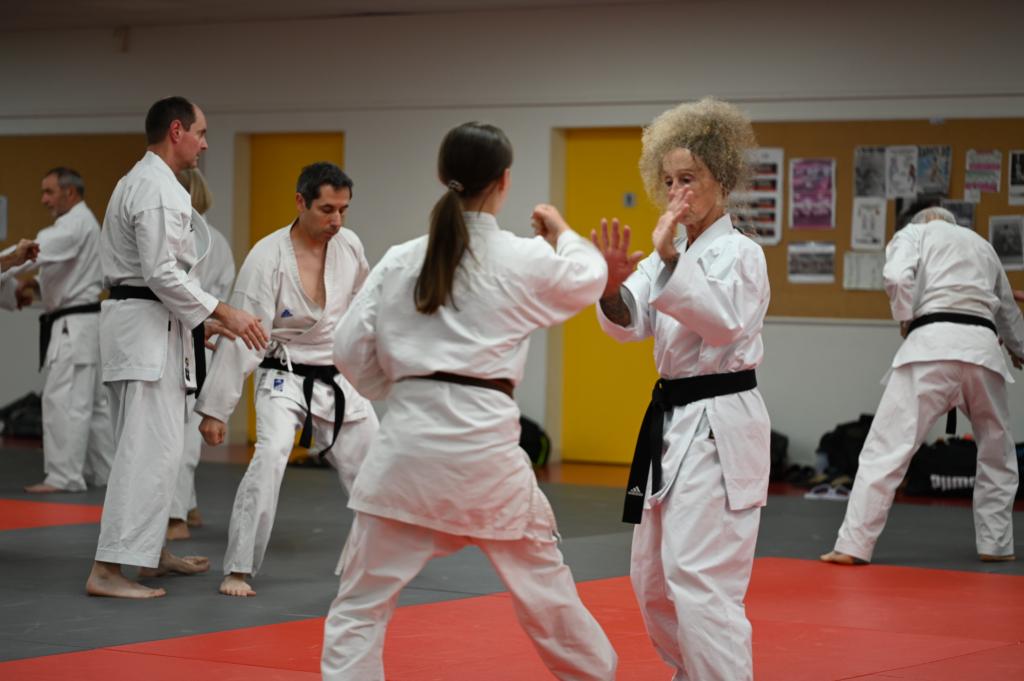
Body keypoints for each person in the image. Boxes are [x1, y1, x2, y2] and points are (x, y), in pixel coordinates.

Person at [321, 122, 617, 681]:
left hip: (406, 456)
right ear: (504, 181)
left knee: (359, 607)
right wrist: (561, 232)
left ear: (443, 176)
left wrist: (395, 388)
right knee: (548, 597)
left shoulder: (401, 259)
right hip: (488, 460)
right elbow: (590, 276)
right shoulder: (521, 256)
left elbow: (347, 348)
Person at [592, 98, 770, 681]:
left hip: (721, 422)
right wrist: (611, 286)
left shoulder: (742, 254)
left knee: (700, 579)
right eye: (668, 181)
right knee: (652, 579)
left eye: (688, 179)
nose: (676, 193)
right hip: (671, 425)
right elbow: (630, 321)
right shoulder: (668, 253)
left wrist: (670, 263)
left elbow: (723, 323)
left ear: (723, 177)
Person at [86, 96, 268, 600]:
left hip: (150, 327)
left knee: (162, 452)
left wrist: (200, 325)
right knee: (144, 453)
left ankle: (148, 553)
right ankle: (106, 569)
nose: (205, 144)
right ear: (176, 131)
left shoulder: (149, 181)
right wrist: (223, 312)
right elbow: (161, 273)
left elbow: (157, 277)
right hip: (144, 333)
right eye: (201, 133)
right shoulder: (155, 187)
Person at [196, 162, 379, 598]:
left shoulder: (350, 245)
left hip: (337, 375)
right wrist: (216, 409)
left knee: (377, 469)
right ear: (300, 202)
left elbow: (365, 309)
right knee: (272, 454)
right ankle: (238, 568)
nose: (337, 220)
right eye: (327, 209)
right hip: (285, 373)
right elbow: (246, 332)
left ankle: (365, 562)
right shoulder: (267, 257)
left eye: (343, 210)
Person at [822, 206, 1024, 566]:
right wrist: (1019, 348)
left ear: (923, 221)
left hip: (930, 347)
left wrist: (904, 317)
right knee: (997, 451)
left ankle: (853, 546)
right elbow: (1006, 307)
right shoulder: (982, 245)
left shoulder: (914, 234)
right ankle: (996, 545)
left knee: (887, 448)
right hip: (982, 351)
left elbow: (897, 277)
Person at [0, 168, 114, 494]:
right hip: (84, 325)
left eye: (49, 192)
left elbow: (28, 255)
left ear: (70, 192)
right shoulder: (83, 223)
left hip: (73, 328)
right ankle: (103, 472)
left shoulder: (72, 226)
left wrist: (11, 260)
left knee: (64, 402)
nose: (44, 199)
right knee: (93, 407)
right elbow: (67, 273)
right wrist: (33, 288)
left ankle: (64, 476)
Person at [166, 167, 236, 541]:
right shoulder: (217, 240)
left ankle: (175, 517)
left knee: (181, 437)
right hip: (197, 340)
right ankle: (188, 506)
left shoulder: (190, 236)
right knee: (179, 431)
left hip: (193, 339)